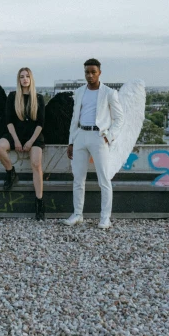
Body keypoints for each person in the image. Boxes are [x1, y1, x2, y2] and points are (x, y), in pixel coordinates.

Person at [63, 59, 124, 229]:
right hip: (80, 135)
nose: (89, 75)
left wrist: (109, 137)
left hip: (99, 137)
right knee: (78, 179)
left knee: (104, 179)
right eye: (87, 72)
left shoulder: (109, 93)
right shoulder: (80, 92)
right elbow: (74, 119)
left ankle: (105, 217)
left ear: (99, 73)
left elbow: (120, 119)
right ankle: (77, 214)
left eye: (93, 72)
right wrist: (71, 142)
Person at [0, 67, 47, 220]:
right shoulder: (12, 97)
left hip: (34, 136)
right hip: (15, 134)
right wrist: (16, 140)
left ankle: (39, 202)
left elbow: (40, 123)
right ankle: (11, 172)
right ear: (18, 80)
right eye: (22, 77)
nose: (25, 79)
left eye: (27, 76)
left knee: (36, 164)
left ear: (31, 79)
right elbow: (9, 121)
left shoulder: (38, 98)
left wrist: (30, 142)